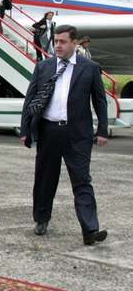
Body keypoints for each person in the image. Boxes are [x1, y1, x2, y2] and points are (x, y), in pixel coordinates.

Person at [20, 25, 109, 245]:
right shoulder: (43, 67)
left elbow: (100, 101)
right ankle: (41, 219)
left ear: (74, 43)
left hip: (77, 134)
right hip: (49, 131)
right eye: (56, 41)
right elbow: (30, 99)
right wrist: (25, 130)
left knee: (82, 180)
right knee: (44, 179)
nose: (57, 45)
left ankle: (90, 230)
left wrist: (103, 130)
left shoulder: (90, 68)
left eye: (63, 42)